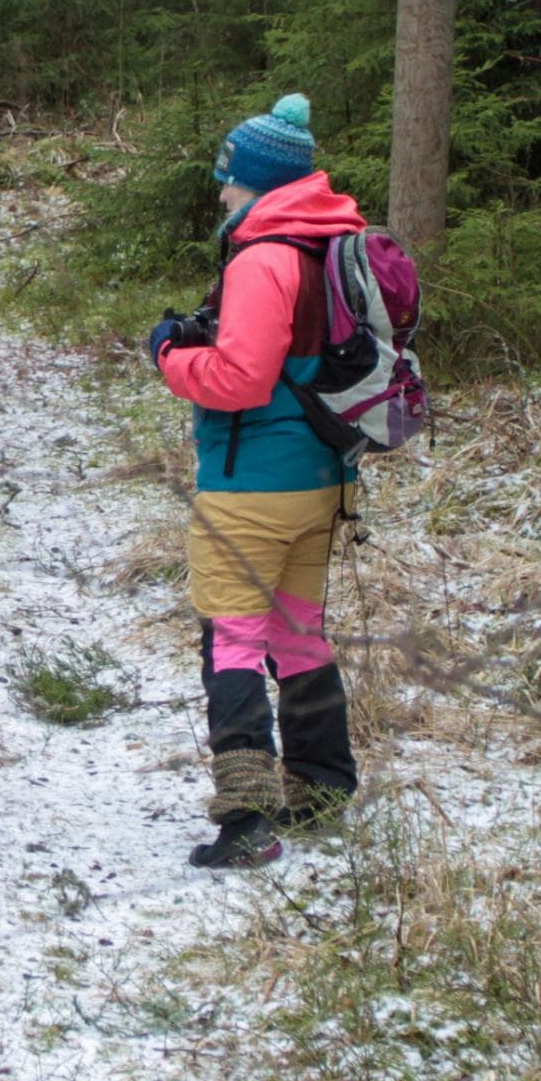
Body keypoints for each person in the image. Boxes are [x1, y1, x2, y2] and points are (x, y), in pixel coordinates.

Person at [149, 93, 363, 870]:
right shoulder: (330, 242)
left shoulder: (264, 256)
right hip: (322, 478)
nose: (221, 191)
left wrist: (168, 356)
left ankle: (246, 818)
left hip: (252, 486)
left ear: (262, 182)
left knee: (235, 639)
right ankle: (323, 783)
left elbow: (240, 378)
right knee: (297, 631)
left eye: (228, 178)